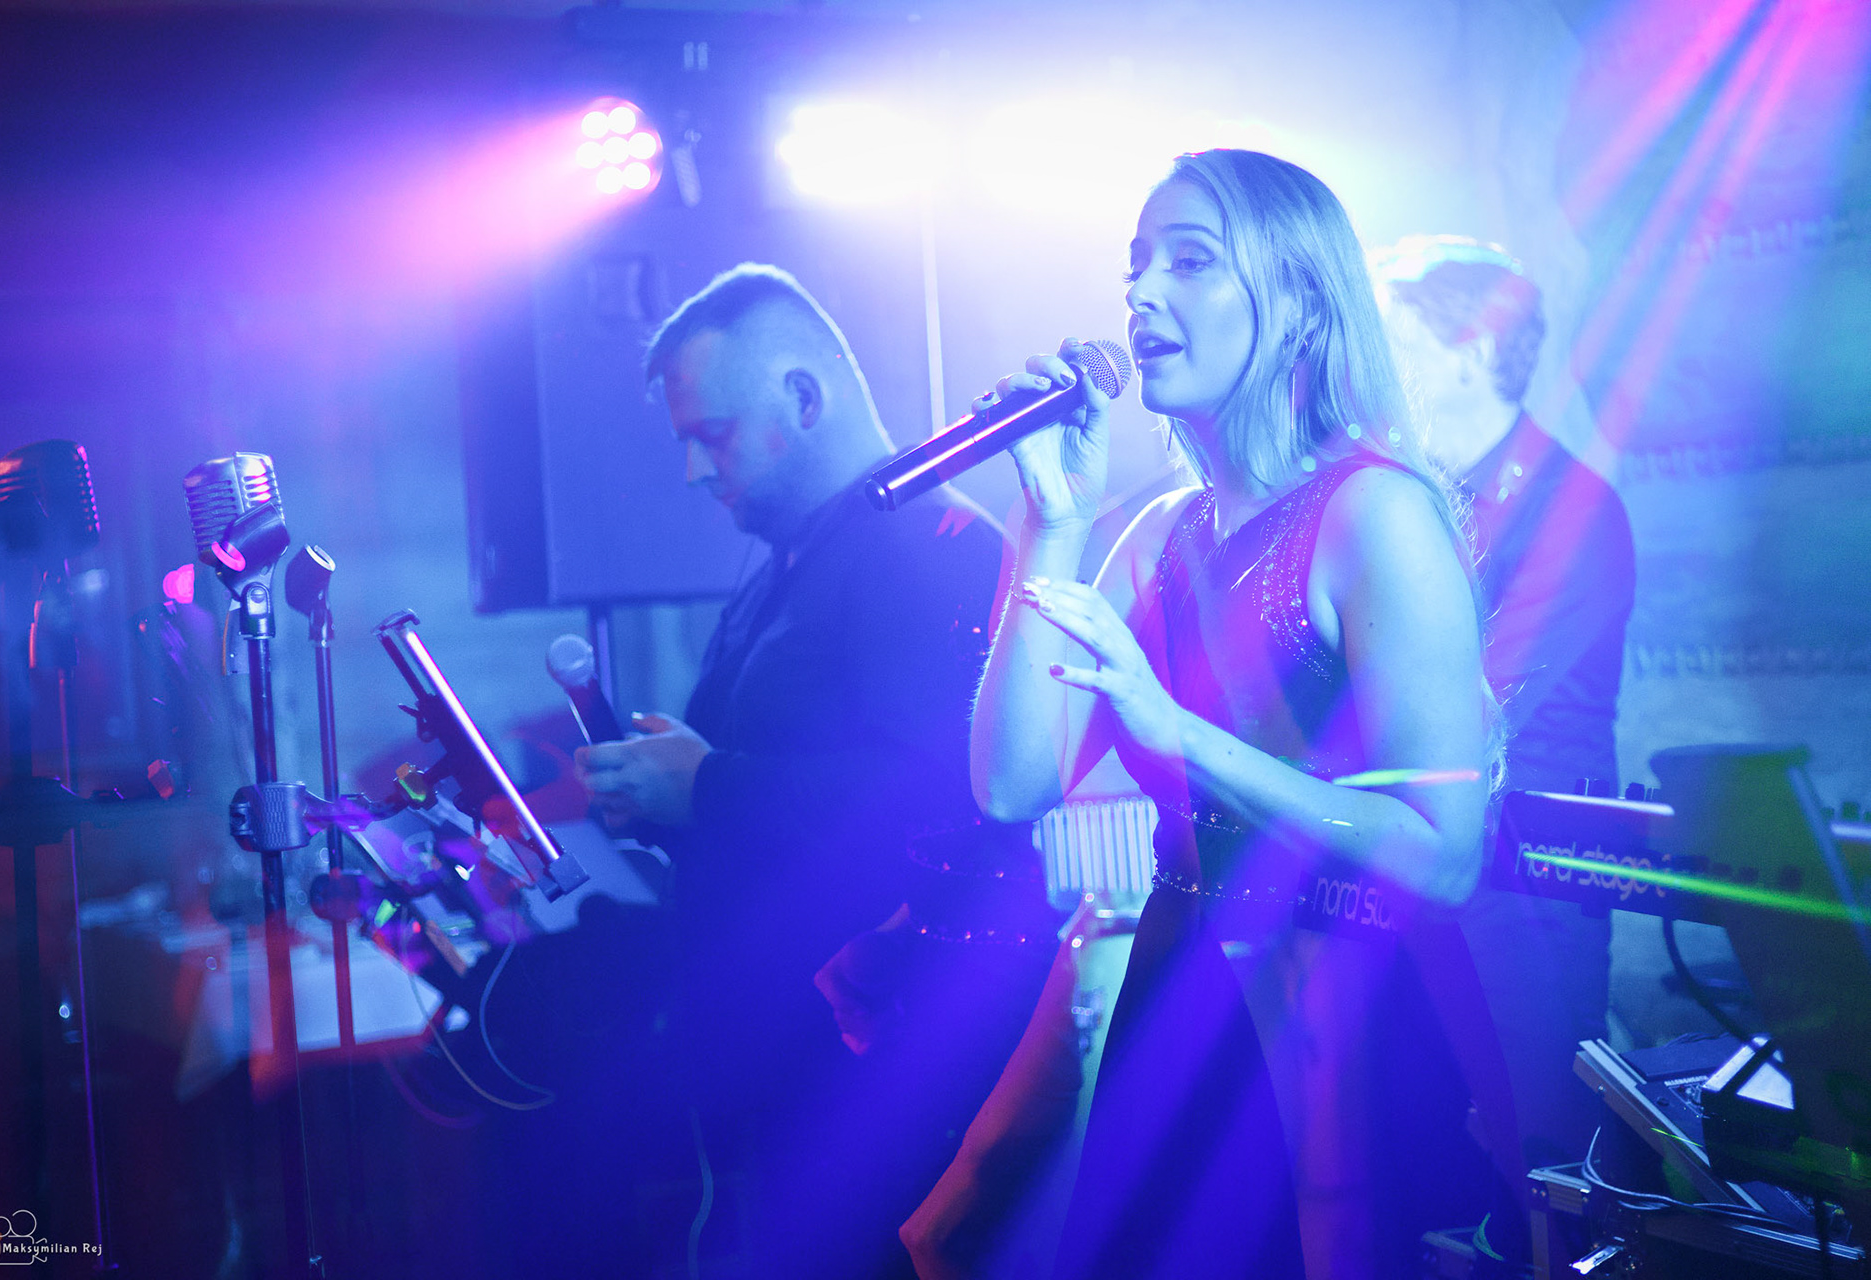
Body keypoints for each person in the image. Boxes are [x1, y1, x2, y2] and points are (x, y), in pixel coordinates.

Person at [911, 150, 1500, 1280]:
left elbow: (1444, 854)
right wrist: (1050, 525)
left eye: (1188, 261)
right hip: (1183, 998)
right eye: (1135, 266)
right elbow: (1012, 783)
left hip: (1345, 1025)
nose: (1139, 295)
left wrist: (1180, 738)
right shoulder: (1165, 532)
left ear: (1298, 298)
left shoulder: (1374, 513)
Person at [575, 264, 1059, 1278]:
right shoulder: (791, 562)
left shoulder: (928, 548)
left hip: (873, 1076)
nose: (695, 471)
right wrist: (661, 786)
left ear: (803, 397)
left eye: (712, 434)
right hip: (781, 1062)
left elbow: (940, 798)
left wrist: (705, 783)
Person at [1378, 236, 1635, 1175]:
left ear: (1474, 351)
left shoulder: (1569, 508)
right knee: (1420, 1179)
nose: (1367, 369)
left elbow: (1462, 714)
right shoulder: (1408, 498)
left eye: (1393, 341)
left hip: (1526, 891)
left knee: (1545, 1183)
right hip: (1422, 875)